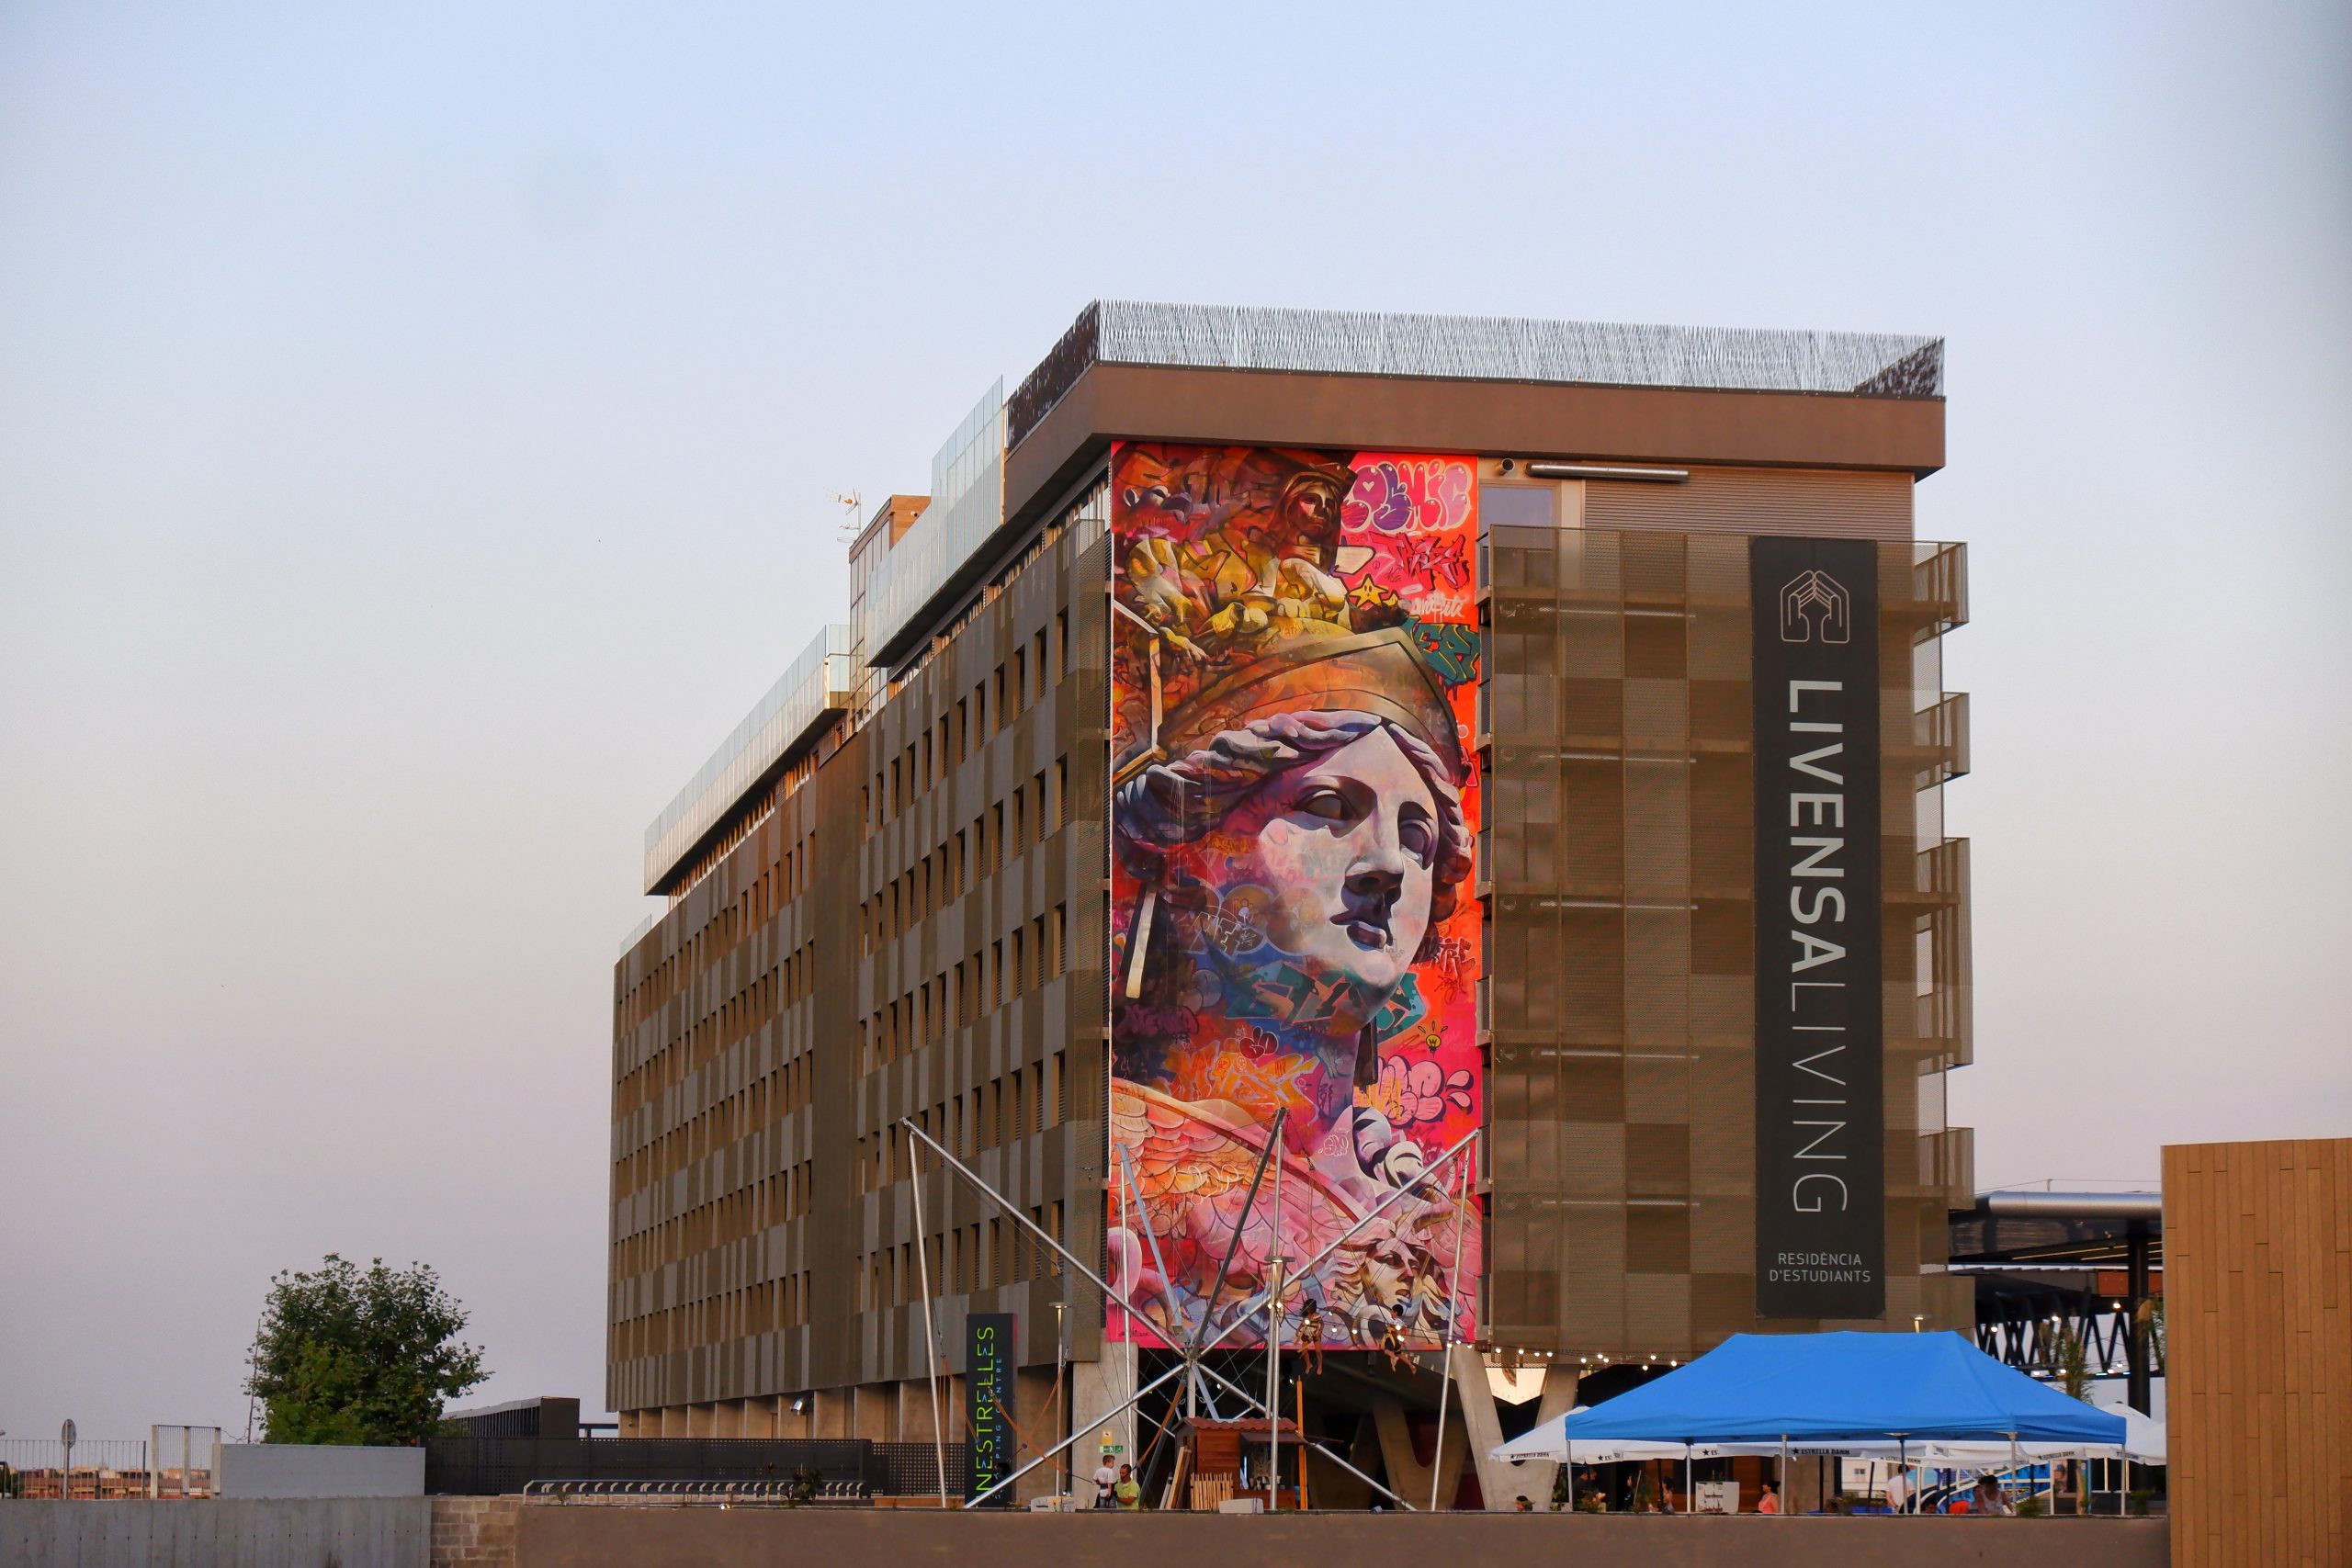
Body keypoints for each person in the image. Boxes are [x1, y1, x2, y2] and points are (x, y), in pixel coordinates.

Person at [1294, 1294, 1327, 1374]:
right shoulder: (1306, 1315)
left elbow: (1322, 1324)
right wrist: (1298, 1330)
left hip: (1315, 1333)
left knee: (1318, 1352)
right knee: (1304, 1350)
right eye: (1306, 1307)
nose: (1307, 1309)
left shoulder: (1317, 1315)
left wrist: (1320, 1331)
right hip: (1307, 1333)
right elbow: (1302, 1323)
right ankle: (1308, 1364)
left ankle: (1320, 1366)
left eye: (1309, 1307)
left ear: (1312, 1307)